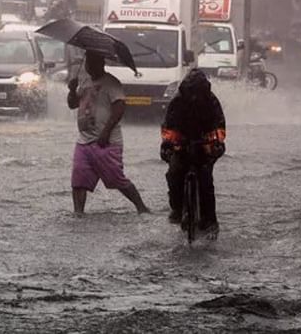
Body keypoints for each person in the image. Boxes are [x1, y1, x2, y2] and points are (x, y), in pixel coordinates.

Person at [67, 51, 150, 216]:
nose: (89, 66)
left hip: (107, 141)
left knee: (116, 179)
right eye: (88, 62)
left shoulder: (111, 83)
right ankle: (78, 213)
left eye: (93, 62)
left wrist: (105, 132)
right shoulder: (84, 82)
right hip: (84, 141)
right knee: (78, 180)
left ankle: (141, 207)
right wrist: (71, 90)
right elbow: (73, 104)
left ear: (101, 63)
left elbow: (119, 107)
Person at [161, 69, 226, 236]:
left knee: (205, 180)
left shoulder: (212, 102)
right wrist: (169, 144)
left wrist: (216, 144)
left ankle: (210, 220)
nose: (195, 96)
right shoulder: (177, 102)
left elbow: (219, 126)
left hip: (204, 145)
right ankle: (177, 209)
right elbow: (169, 127)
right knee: (174, 174)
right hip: (182, 144)